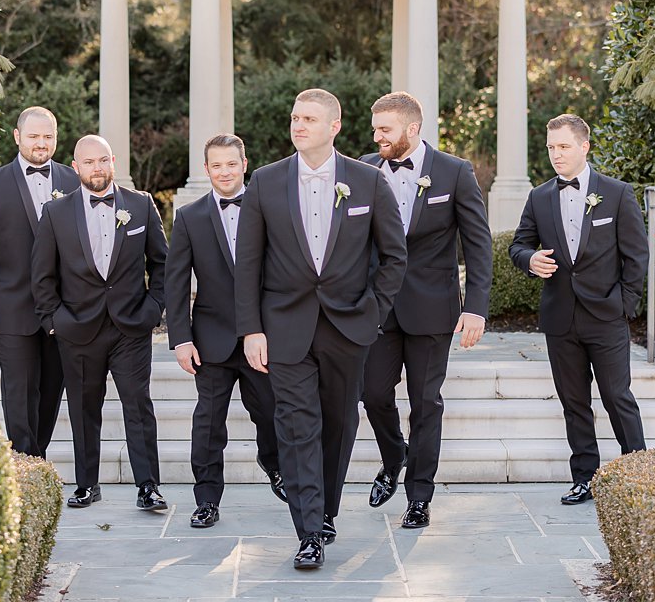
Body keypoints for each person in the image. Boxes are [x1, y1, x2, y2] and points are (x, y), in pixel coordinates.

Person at [235, 88, 406, 569]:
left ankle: (327, 510)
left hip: (348, 327)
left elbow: (394, 256)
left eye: (309, 118)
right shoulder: (265, 183)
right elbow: (247, 263)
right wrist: (251, 328)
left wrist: (372, 311)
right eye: (294, 117)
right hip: (283, 328)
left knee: (338, 423)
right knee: (295, 427)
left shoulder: (367, 182)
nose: (298, 125)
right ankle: (309, 530)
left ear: (334, 126)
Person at [359, 92, 492, 529]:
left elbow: (477, 243)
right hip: (375, 307)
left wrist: (475, 308)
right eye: (375, 128)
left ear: (412, 129)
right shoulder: (362, 169)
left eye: (385, 129)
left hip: (432, 309)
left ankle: (419, 496)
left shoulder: (454, 172)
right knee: (372, 393)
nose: (376, 136)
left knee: (425, 403)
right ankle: (394, 454)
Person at [508, 114, 648, 505]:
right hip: (560, 317)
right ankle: (584, 477)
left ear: (584, 147)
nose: (556, 155)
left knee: (618, 396)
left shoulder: (617, 193)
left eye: (564, 147)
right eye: (551, 148)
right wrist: (529, 259)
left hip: (607, 316)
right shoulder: (539, 196)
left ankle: (637, 473)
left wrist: (624, 306)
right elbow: (518, 244)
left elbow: (636, 255)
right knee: (574, 402)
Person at [31, 134, 169, 512]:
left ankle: (148, 486)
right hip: (77, 329)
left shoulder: (141, 206)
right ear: (75, 168)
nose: (97, 168)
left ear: (113, 162)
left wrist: (154, 308)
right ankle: (87, 484)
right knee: (83, 407)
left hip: (131, 327)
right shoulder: (55, 213)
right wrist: (55, 321)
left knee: (138, 406)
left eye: (103, 160)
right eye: (89, 162)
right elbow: (42, 276)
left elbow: (162, 263)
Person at [165, 133, 289, 528]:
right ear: (206, 170)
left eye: (231, 164)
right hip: (210, 340)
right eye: (216, 165)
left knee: (271, 414)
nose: (224, 172)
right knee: (208, 423)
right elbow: (176, 281)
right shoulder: (189, 216)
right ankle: (206, 500)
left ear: (244, 164)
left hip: (262, 339)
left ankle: (277, 470)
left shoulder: (271, 207)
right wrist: (180, 338)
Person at [0, 107, 76, 458]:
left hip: (62, 310)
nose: (41, 143)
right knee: (19, 389)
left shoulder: (73, 182)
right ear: (17, 137)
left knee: (52, 388)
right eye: (33, 136)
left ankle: (34, 456)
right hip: (11, 308)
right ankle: (26, 462)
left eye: (47, 137)